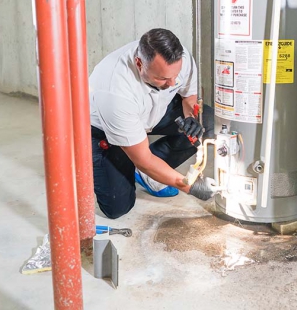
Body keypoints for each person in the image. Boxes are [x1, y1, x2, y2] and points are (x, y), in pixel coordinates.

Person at [89, 28, 215, 219]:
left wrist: (191, 117)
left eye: (175, 76)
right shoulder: (115, 91)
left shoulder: (180, 58)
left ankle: (150, 174)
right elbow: (144, 160)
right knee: (118, 208)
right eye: (163, 78)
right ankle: (137, 166)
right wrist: (191, 185)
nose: (172, 83)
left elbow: (189, 96)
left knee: (209, 122)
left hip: (154, 109)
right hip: (107, 129)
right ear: (139, 63)